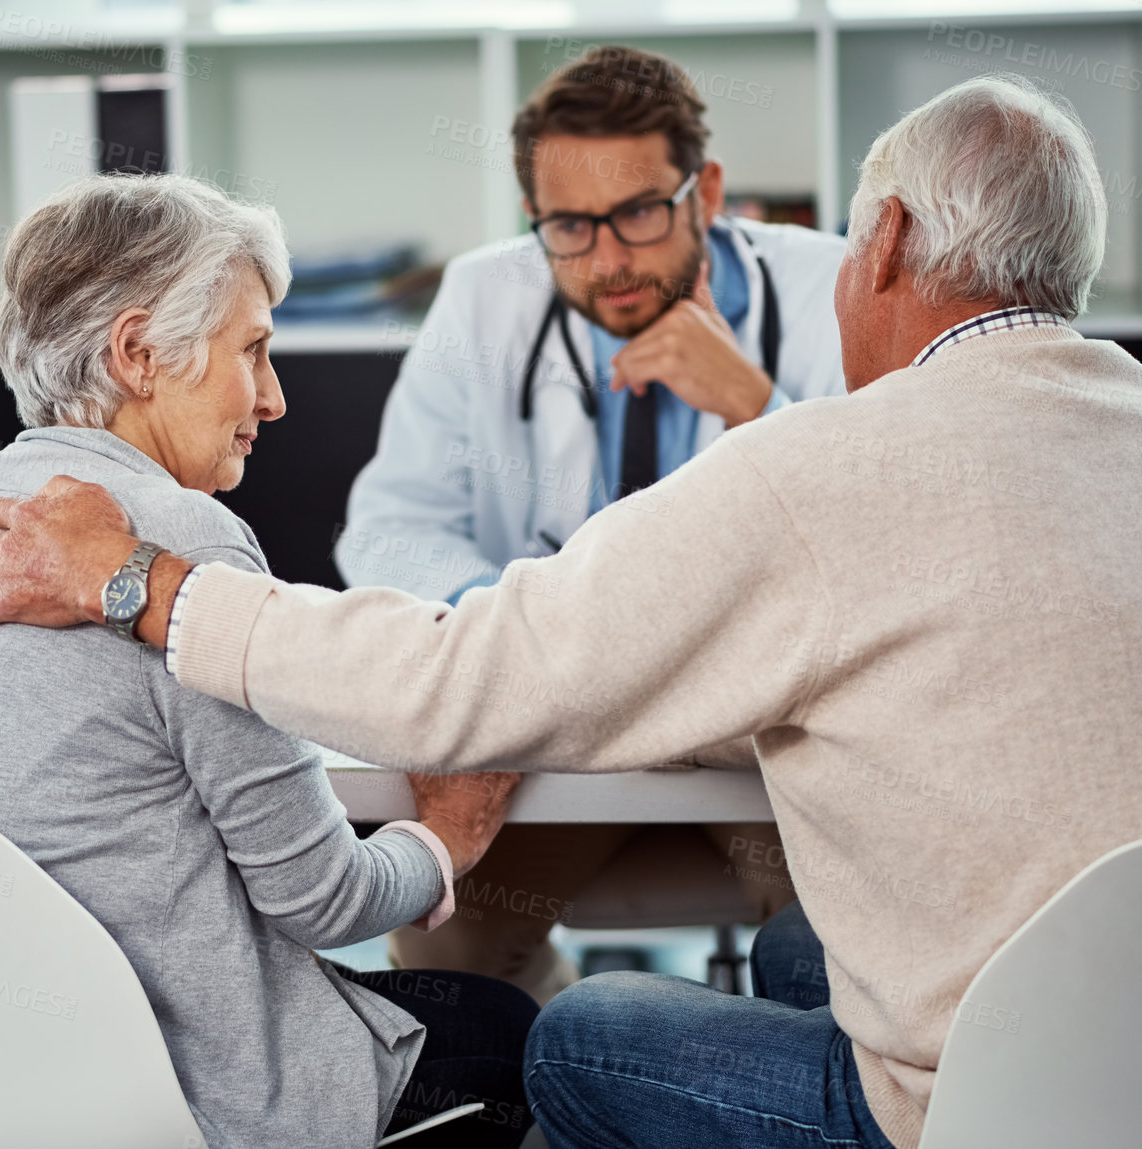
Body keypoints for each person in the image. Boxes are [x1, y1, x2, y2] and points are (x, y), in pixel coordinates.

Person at [0, 76, 1142, 1149]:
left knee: (574, 1038)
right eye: (565, 223)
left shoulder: (821, 452)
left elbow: (464, 680)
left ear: (881, 240)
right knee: (786, 952)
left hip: (996, 1104)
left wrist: (150, 588)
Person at [0, 173, 538, 1149]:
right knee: (506, 1029)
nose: (271, 398)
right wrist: (448, 836)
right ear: (138, 352)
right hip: (173, 1088)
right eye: (252, 351)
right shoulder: (182, 540)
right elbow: (325, 902)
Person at [336, 43, 844, 1001]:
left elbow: (884, 541)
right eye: (568, 225)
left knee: (837, 959)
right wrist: (536, 630)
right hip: (560, 729)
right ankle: (567, 1067)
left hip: (760, 737)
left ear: (707, 191)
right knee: (451, 950)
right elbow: (390, 526)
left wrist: (756, 409)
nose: (607, 259)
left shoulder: (830, 292)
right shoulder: (485, 298)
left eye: (639, 214)